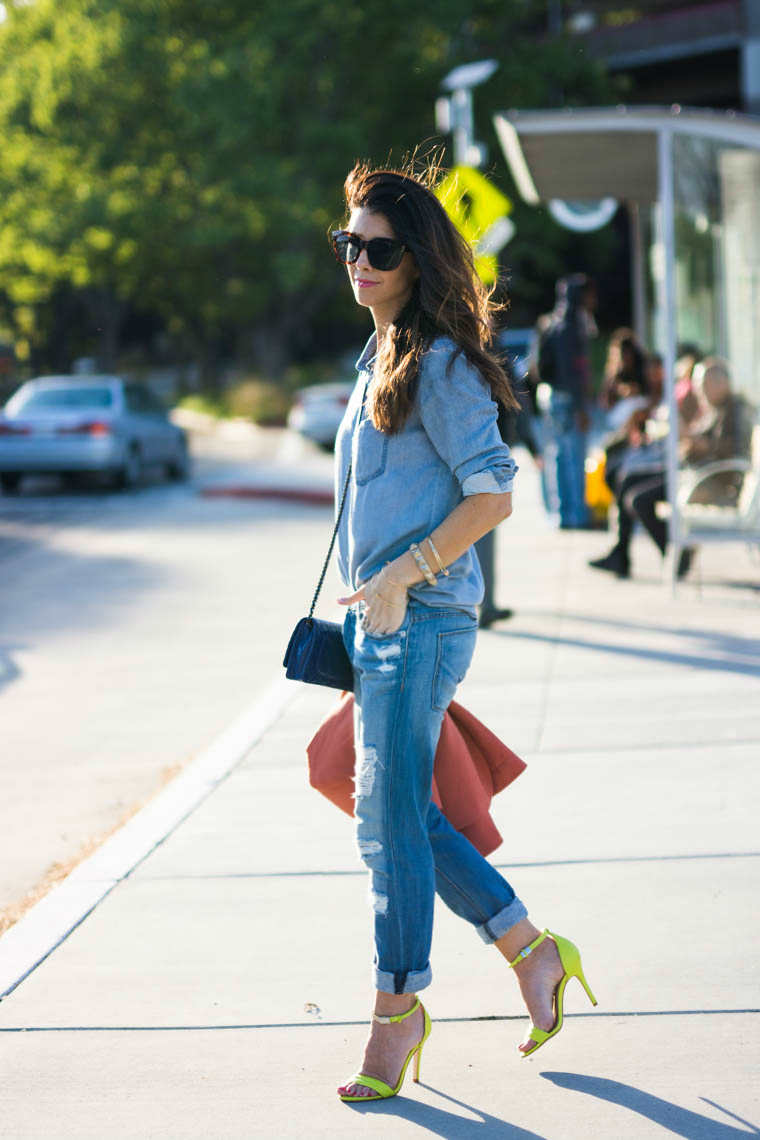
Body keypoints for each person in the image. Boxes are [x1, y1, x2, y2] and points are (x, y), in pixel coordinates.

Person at [329, 162, 596, 1104]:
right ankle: (529, 948)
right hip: (386, 620)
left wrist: (401, 575)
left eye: (380, 249)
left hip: (423, 616)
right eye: (349, 244)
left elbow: (495, 493)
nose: (359, 262)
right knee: (393, 815)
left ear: (417, 259)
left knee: (388, 818)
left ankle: (396, 1011)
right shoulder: (380, 355)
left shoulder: (437, 363)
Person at [589, 356, 753, 579]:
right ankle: (622, 553)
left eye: (702, 386)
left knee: (638, 499)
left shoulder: (733, 411)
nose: (698, 392)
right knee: (626, 479)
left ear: (719, 384)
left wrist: (687, 436)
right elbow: (702, 442)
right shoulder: (716, 408)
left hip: (709, 481)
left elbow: (723, 452)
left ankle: (675, 552)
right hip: (694, 473)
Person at [534, 274, 596, 528]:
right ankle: (575, 513)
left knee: (557, 455)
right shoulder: (571, 326)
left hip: (550, 395)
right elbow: (573, 370)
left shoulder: (551, 322)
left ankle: (561, 512)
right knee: (573, 456)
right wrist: (581, 406)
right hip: (567, 398)